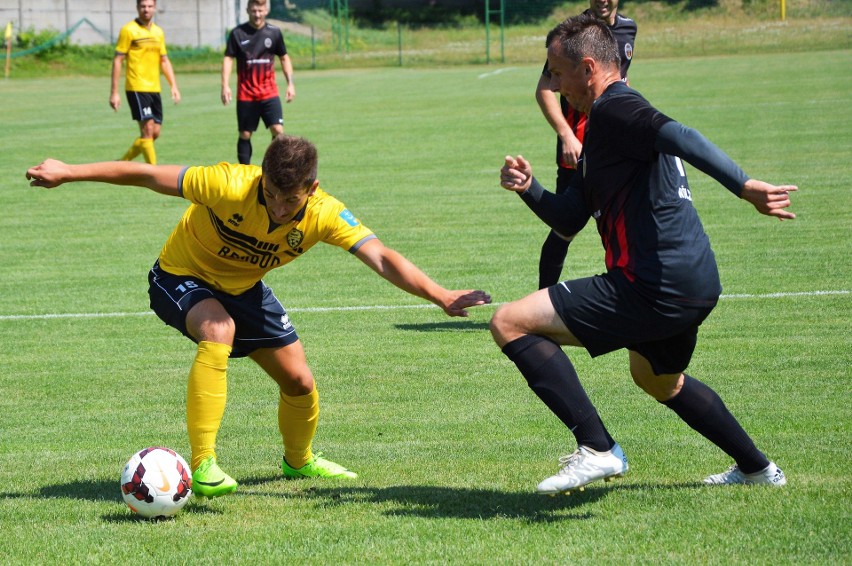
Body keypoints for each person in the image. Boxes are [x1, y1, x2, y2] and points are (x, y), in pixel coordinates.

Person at [27, 135, 491, 498]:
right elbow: (147, 174)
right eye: (270, 193)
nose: (277, 206)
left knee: (300, 382)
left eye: (290, 200)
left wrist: (440, 295)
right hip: (178, 274)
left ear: (311, 188)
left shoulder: (326, 214)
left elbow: (383, 257)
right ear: (260, 177)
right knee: (218, 329)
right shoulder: (227, 182)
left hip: (244, 288)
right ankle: (204, 464)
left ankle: (299, 460)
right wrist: (69, 172)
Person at [493, 13, 795, 495]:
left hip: (652, 284)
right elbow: (570, 217)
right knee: (657, 381)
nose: (552, 84)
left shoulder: (618, 108)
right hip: (694, 285)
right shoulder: (600, 129)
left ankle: (597, 447)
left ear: (588, 67)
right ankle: (759, 469)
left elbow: (681, 135)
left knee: (509, 321)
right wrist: (529, 188)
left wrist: (744, 185)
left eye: (556, 72)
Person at [534, 0, 636, 289]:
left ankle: (632, 291)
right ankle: (543, 302)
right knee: (565, 227)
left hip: (613, 144)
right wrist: (566, 134)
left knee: (626, 218)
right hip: (577, 147)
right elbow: (544, 89)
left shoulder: (629, 29)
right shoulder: (573, 36)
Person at [221, 0, 295, 165]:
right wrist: (225, 85)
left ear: (266, 10)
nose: (257, 14)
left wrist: (290, 84)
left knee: (278, 130)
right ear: (248, 10)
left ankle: (273, 167)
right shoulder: (237, 33)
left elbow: (284, 58)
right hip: (246, 94)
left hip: (269, 92)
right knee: (245, 134)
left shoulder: (274, 33)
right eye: (254, 10)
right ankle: (244, 171)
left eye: (260, 10)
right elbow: (228, 58)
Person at [110, 0, 180, 166]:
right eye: (143, 6)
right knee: (147, 130)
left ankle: (123, 163)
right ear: (137, 8)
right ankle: (154, 172)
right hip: (136, 87)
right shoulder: (128, 30)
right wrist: (114, 92)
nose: (146, 10)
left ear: (155, 8)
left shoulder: (158, 32)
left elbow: (164, 60)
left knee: (154, 133)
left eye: (149, 6)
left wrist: (173, 85)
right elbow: (118, 60)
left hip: (154, 88)